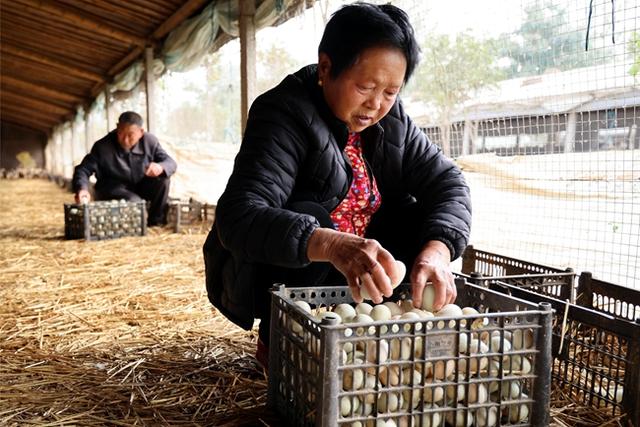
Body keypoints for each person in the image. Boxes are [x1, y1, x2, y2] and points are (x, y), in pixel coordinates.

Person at [203, 3, 471, 367]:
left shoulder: (395, 122)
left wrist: (438, 250)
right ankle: (281, 341)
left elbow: (449, 182)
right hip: (294, 268)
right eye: (365, 86)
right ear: (326, 68)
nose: (376, 105)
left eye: (390, 92)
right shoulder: (282, 112)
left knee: (419, 218)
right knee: (309, 215)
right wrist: (328, 243)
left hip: (361, 270)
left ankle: (381, 337)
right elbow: (238, 216)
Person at [72, 111, 177, 226]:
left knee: (163, 180)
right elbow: (83, 169)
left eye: (130, 135)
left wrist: (160, 167)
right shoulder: (102, 146)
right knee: (135, 203)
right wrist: (82, 188)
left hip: (141, 186)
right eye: (121, 133)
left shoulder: (150, 142)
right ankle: (135, 225)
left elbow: (170, 162)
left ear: (141, 132)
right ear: (117, 127)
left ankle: (155, 223)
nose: (125, 140)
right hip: (113, 189)